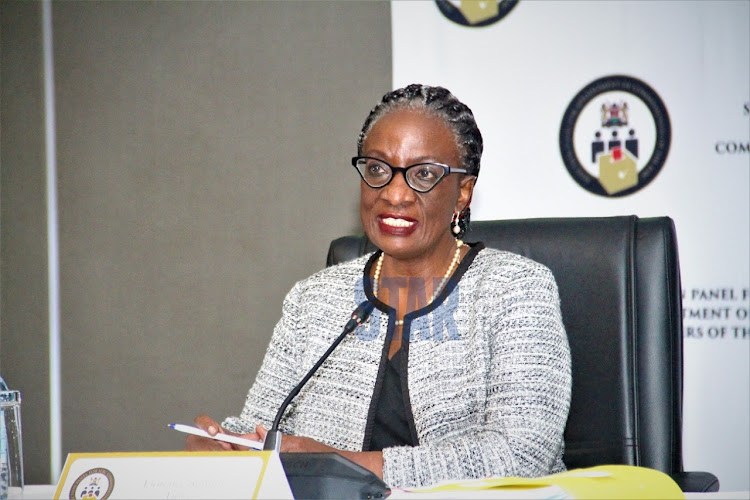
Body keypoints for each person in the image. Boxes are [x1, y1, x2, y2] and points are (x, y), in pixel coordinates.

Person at [185, 84, 572, 489]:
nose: (394, 193)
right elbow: (264, 429)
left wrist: (341, 464)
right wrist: (224, 445)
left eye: (423, 174)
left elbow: (522, 455)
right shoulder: (313, 299)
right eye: (377, 169)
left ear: (463, 192)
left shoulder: (516, 289)